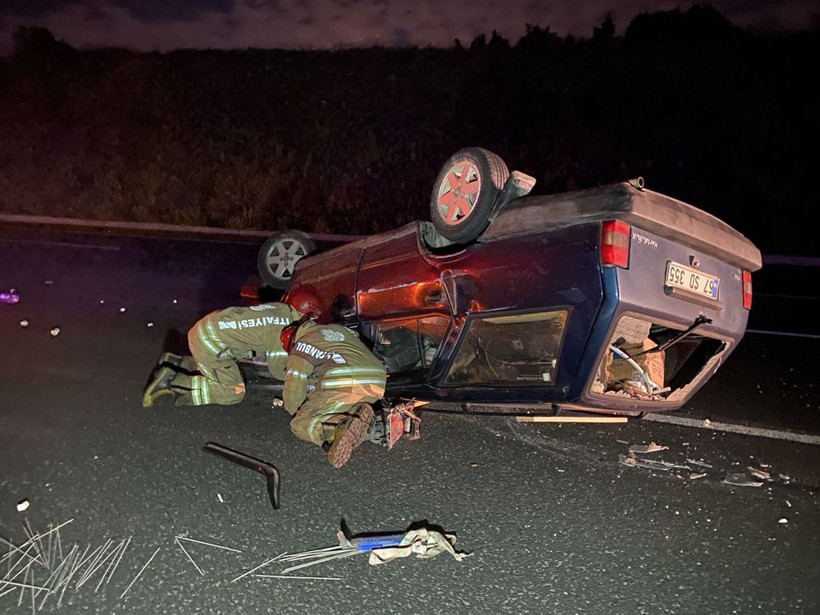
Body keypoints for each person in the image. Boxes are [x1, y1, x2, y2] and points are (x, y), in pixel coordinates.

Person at [142, 288, 322, 407]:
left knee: (224, 363)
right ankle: (172, 382)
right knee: (234, 392)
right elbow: (277, 368)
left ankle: (175, 361)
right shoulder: (284, 329)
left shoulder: (280, 309)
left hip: (204, 329)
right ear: (306, 314)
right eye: (312, 319)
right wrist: (304, 378)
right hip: (209, 346)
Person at [280, 317, 387, 468]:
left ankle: (336, 428)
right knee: (343, 405)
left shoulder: (300, 346)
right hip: (378, 379)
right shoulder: (338, 330)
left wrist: (297, 411)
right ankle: (385, 419)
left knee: (299, 424)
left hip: (346, 381)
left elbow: (294, 390)